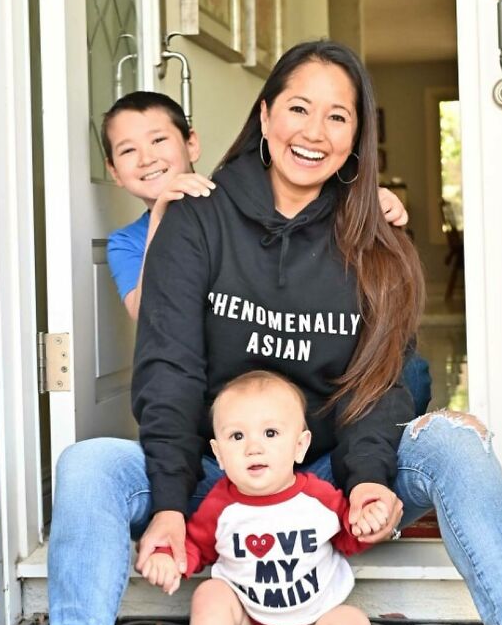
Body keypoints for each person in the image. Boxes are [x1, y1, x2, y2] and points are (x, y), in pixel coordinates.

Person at [0, 40, 502, 625]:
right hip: (212, 472)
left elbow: (379, 382)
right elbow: (168, 369)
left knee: (454, 442)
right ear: (265, 115)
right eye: (298, 108)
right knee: (88, 464)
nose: (314, 131)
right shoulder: (197, 219)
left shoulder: (375, 239)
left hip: (321, 476)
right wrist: (168, 503)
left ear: (357, 139)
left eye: (338, 117)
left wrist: (367, 480)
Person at [100, 91, 432, 413]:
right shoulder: (126, 242)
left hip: (306, 365)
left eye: (159, 140)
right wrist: (161, 218)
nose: (147, 158)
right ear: (113, 170)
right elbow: (151, 318)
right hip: (224, 393)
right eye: (128, 150)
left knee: (410, 372)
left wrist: (366, 203)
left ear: (192, 144)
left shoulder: (239, 201)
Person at [142, 370, 386, 625]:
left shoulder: (319, 497)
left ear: (300, 445)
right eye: (237, 436)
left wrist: (366, 522)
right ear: (220, 454)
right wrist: (169, 558)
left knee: (355, 624)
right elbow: (195, 545)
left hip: (313, 624)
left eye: (270, 433)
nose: (254, 447)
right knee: (210, 593)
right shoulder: (220, 505)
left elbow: (349, 537)